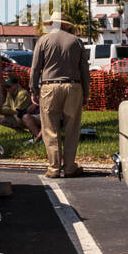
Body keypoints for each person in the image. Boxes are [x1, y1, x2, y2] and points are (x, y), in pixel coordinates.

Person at [31, 12, 91, 179]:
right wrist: (86, 93)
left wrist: (33, 90)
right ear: (65, 24)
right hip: (74, 87)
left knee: (50, 128)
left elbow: (35, 68)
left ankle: (54, 168)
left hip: (50, 87)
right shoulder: (76, 41)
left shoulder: (43, 41)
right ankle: (70, 167)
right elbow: (84, 70)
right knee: (72, 128)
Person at [0, 73, 41, 142]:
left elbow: (16, 110)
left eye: (9, 86)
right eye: (6, 87)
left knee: (22, 117)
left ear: (16, 85)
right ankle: (23, 132)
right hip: (25, 116)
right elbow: (7, 106)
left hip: (27, 117)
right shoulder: (10, 93)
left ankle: (39, 137)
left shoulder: (22, 93)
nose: (7, 89)